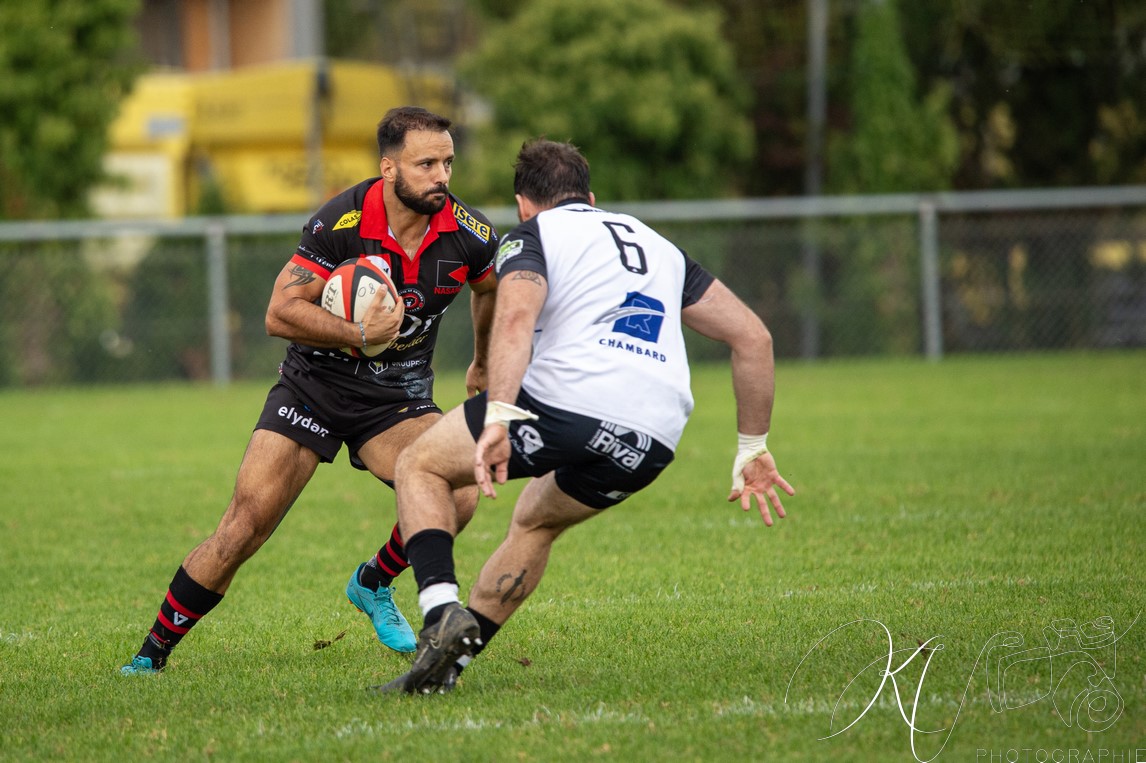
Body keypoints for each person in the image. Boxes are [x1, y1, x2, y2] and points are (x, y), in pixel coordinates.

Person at [378, 138, 795, 694]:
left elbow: (515, 317)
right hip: (655, 433)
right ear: (591, 198)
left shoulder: (532, 234)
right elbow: (753, 338)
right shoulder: (659, 246)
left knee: (420, 464)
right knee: (536, 521)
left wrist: (498, 415)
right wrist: (752, 447)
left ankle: (438, 613)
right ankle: (442, 673)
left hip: (568, 400)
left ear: (524, 204)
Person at [120, 106, 500, 674]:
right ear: (389, 167)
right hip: (313, 389)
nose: (441, 176)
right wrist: (359, 334)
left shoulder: (470, 233)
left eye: (447, 162)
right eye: (426, 164)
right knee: (243, 528)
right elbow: (279, 312)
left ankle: (373, 581)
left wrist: (482, 361)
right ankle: (150, 656)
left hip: (395, 399)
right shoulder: (341, 222)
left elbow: (489, 289)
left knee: (459, 488)